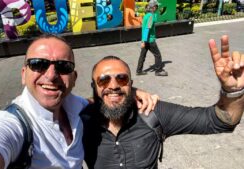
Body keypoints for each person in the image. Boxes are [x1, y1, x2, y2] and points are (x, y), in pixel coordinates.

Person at [0, 34, 158, 169]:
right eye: (38, 64)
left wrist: (128, 90)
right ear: (23, 74)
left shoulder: (78, 106)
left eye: (63, 67)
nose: (51, 75)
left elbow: (102, 99)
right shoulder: (12, 124)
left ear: (74, 78)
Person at [81, 35, 244, 168]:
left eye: (122, 78)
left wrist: (233, 91)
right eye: (103, 80)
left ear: (131, 85)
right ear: (93, 87)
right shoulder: (79, 122)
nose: (114, 85)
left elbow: (219, 121)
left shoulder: (151, 113)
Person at [136, 0, 168, 76]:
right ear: (153, 7)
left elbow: (154, 20)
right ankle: (158, 71)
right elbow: (147, 28)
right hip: (149, 40)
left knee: (142, 55)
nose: (157, 8)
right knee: (158, 55)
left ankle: (139, 70)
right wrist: (144, 41)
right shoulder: (150, 16)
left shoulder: (148, 15)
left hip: (146, 39)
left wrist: (143, 40)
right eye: (157, 6)